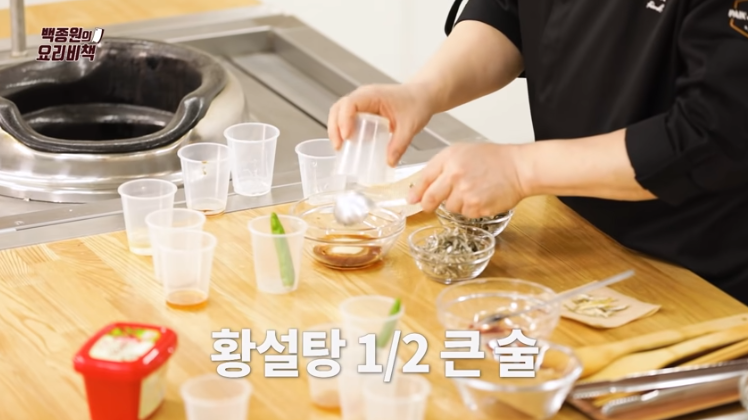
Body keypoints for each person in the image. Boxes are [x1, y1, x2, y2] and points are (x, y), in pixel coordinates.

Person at [326, 0, 748, 304]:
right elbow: (509, 12)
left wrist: (520, 170)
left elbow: (713, 133)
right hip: (576, 240)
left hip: (706, 274)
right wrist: (422, 92)